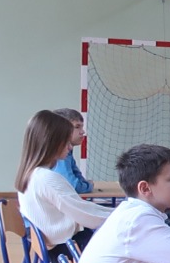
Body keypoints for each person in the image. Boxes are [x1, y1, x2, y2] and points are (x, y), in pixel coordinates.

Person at [16, 109, 110, 255]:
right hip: (65, 251)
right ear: (51, 143)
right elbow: (85, 215)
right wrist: (124, 215)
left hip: (57, 247)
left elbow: (82, 210)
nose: (70, 146)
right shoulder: (47, 178)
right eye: (66, 141)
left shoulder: (32, 174)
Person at [51, 107, 94, 195]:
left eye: (82, 127)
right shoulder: (59, 153)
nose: (82, 132)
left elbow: (77, 175)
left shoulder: (68, 151)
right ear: (62, 129)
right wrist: (89, 186)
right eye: (77, 127)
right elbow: (74, 186)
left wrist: (85, 184)